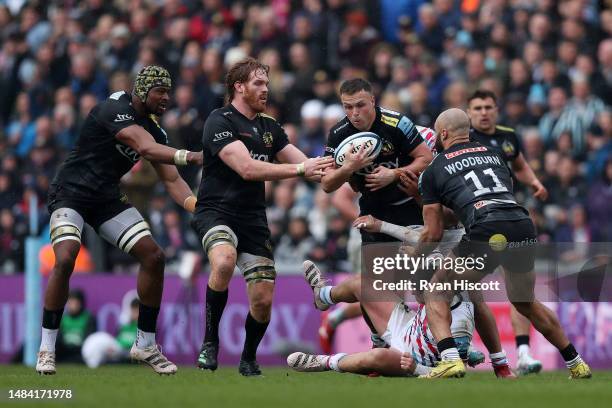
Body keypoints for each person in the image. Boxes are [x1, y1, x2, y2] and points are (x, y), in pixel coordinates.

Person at [37, 65, 202, 376]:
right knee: (67, 257)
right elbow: (144, 147)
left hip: (106, 197)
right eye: (160, 91)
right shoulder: (115, 108)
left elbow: (171, 179)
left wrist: (197, 206)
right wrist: (193, 155)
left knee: (154, 256)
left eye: (168, 91)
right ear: (141, 91)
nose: (166, 97)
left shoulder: (157, 130)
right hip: (71, 191)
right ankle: (47, 347)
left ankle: (145, 345)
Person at [413, 108, 591, 379]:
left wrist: (413, 259)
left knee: (436, 289)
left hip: (487, 229)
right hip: (520, 223)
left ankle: (450, 359)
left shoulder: (433, 170)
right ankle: (576, 363)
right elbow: (493, 192)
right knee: (524, 301)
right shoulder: (494, 154)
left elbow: (434, 232)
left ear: (443, 134)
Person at [191, 57, 333, 376]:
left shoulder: (269, 127)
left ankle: (247, 358)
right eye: (258, 83)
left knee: (263, 300)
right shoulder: (220, 120)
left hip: (253, 218)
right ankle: (210, 343)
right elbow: (247, 168)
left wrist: (345, 166)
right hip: (217, 212)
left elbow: (308, 165)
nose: (265, 89)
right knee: (224, 260)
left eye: (267, 83)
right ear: (238, 87)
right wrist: (299, 169)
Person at [319, 78, 432, 348]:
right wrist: (349, 167)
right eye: (348, 107)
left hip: (410, 210)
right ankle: (380, 345)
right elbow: (327, 183)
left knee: (424, 282)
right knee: (377, 287)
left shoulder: (397, 123)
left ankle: (435, 343)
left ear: (373, 101)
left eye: (360, 105)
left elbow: (426, 158)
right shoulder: (338, 134)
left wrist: (393, 174)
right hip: (373, 212)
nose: (355, 113)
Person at [467, 89, 548, 375]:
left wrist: (535, 182)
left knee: (520, 290)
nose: (484, 112)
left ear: (496, 110)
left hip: (507, 220)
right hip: (475, 224)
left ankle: (523, 353)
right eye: (477, 108)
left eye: (489, 106)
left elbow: (520, 166)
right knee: (464, 286)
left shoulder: (508, 137)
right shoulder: (461, 139)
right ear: (469, 112)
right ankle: (462, 345)